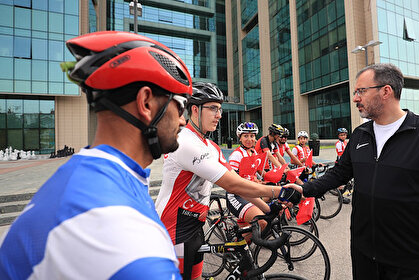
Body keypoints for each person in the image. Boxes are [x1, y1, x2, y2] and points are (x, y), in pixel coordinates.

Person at [0, 31, 192, 279]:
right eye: (180, 105)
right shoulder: (133, 246)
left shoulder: (84, 176)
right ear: (146, 103)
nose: (183, 120)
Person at [287, 63, 419, 280]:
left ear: (386, 91)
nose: (355, 98)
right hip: (364, 257)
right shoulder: (359, 135)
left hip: (411, 261)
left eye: (361, 91)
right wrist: (304, 189)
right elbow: (340, 173)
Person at [155, 83, 301, 280]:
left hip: (195, 227)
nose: (219, 115)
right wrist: (280, 191)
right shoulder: (185, 142)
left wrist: (268, 208)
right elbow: (232, 185)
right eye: (213, 108)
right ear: (195, 109)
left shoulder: (211, 146)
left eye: (220, 109)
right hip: (174, 231)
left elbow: (238, 181)